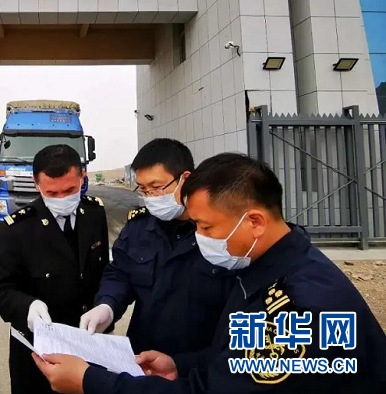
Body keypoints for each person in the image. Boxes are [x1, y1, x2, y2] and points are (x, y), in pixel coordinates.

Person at [33, 153, 386, 394]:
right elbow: (235, 357)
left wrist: (91, 382)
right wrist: (180, 365)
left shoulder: (299, 306)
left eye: (206, 226)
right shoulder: (267, 267)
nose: (200, 237)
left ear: (255, 222)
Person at [80, 139, 235, 356]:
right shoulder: (139, 228)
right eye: (143, 189)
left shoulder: (219, 231)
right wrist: (107, 305)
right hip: (144, 356)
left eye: (156, 187)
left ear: (185, 179)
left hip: (201, 360)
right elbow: (120, 273)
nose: (150, 197)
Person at [0, 144, 110, 394]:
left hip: (90, 343)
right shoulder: (16, 229)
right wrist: (28, 307)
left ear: (83, 177)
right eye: (52, 193)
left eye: (70, 190)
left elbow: (102, 271)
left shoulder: (95, 214)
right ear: (37, 184)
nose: (62, 199)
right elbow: (1, 291)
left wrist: (106, 307)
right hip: (39, 352)